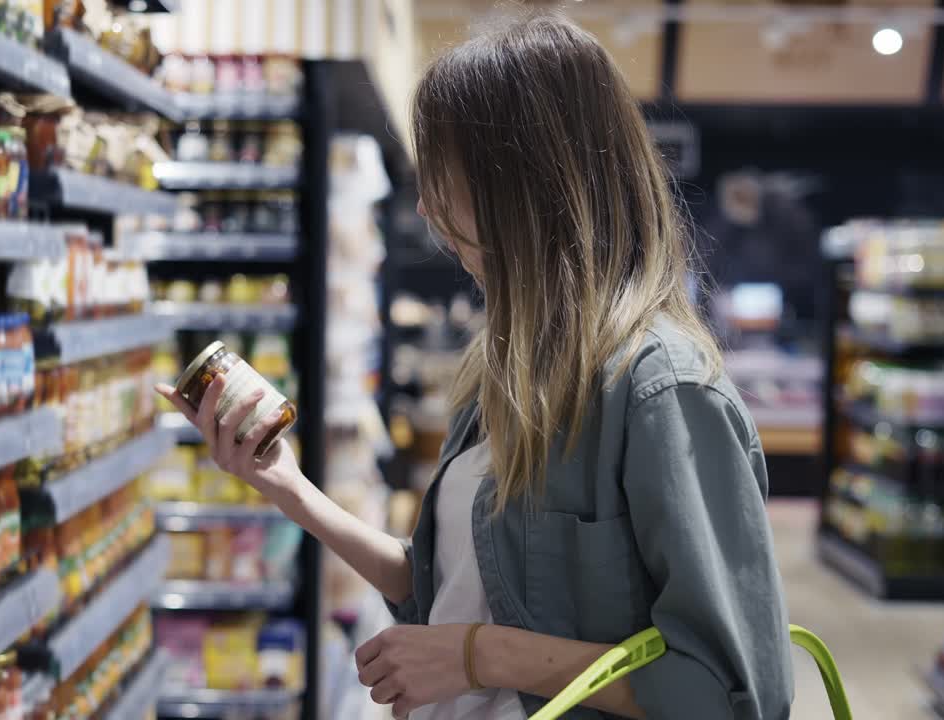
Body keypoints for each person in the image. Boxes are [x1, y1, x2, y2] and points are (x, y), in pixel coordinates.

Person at [157, 10, 793, 720]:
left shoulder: (659, 391)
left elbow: (729, 694)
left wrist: (479, 655)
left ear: (525, 182)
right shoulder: (505, 368)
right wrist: (284, 485)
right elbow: (443, 585)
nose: (427, 206)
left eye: (448, 174)